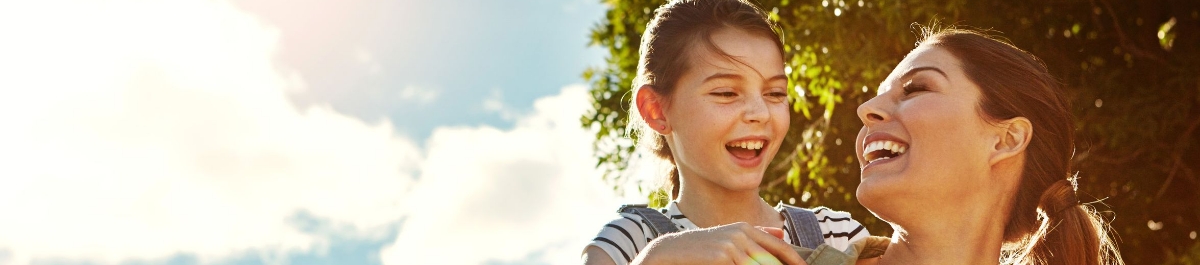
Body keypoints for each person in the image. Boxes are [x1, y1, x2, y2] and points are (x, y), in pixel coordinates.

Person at [581, 1, 870, 264]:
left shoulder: (835, 234)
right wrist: (656, 258)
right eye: (726, 92)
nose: (760, 113)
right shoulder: (628, 241)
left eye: (775, 92)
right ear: (656, 110)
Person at [853, 28, 1124, 265]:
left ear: (1006, 140)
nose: (867, 109)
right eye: (878, 95)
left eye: (916, 88)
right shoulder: (815, 238)